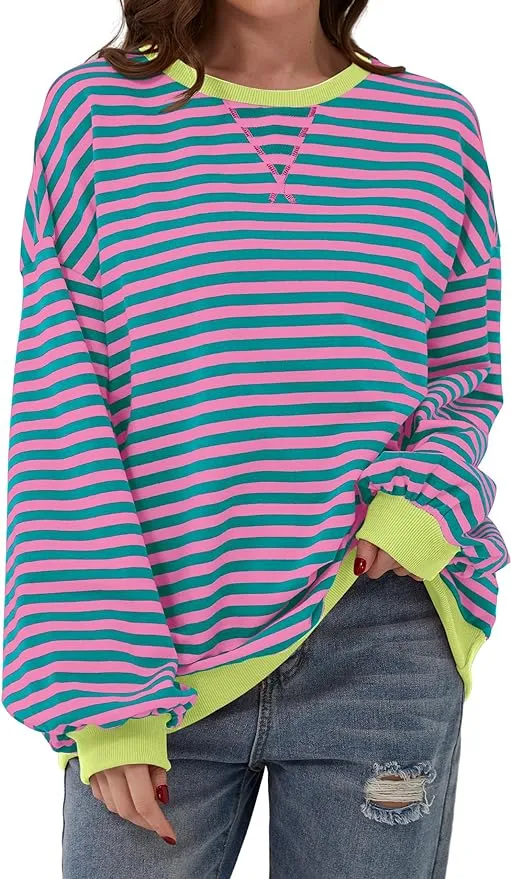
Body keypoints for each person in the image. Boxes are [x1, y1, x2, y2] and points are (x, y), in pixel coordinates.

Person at [3, 1, 508, 876]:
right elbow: (61, 400)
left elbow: (465, 368)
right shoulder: (97, 114)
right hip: (156, 645)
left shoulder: (435, 127)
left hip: (376, 628)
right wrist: (105, 691)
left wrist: (420, 501)